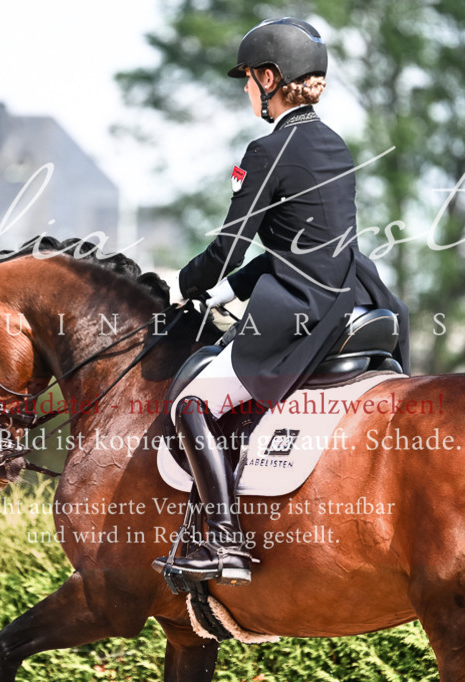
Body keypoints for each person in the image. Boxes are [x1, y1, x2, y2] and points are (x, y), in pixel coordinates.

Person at [153, 18, 411, 586]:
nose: (246, 90)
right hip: (351, 290)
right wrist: (229, 291)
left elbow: (227, 247)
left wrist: (187, 286)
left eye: (248, 79)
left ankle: (221, 539)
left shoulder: (268, 148)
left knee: (192, 403)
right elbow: (298, 248)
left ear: (270, 78)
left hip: (302, 303)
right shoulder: (333, 145)